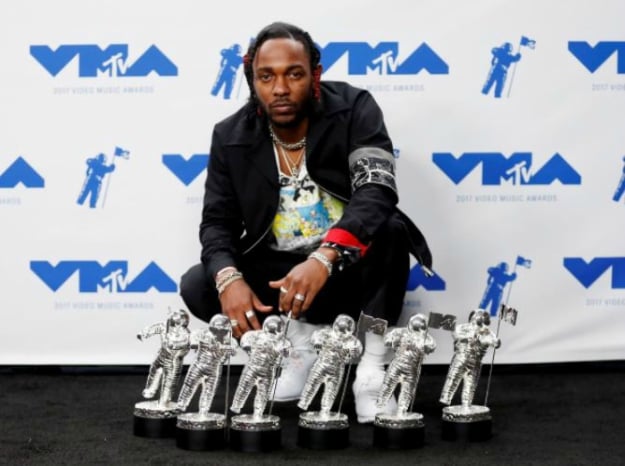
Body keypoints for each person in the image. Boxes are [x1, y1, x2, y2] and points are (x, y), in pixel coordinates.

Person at [179, 21, 432, 422]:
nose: (280, 88)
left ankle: (371, 369)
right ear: (252, 80)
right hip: (279, 277)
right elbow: (216, 223)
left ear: (314, 75)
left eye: (293, 74)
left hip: (343, 269)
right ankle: (297, 346)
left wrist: (325, 257)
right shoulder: (230, 136)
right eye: (266, 77)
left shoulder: (354, 109)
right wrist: (229, 279)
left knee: (389, 231)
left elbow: (376, 191)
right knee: (199, 282)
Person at [376, 313, 436, 418]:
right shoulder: (400, 332)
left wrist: (423, 345)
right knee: (387, 386)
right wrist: (394, 341)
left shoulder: (426, 338)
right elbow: (386, 341)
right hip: (397, 365)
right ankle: (379, 407)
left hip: (412, 369)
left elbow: (431, 347)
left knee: (407, 392)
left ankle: (401, 412)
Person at [439, 309, 500, 407]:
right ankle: (446, 399)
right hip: (461, 357)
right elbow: (455, 334)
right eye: (478, 315)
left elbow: (495, 343)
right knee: (453, 378)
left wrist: (495, 341)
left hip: (476, 361)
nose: (479, 317)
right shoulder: (462, 327)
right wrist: (469, 336)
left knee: (470, 384)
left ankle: (466, 405)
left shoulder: (487, 332)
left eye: (483, 316)